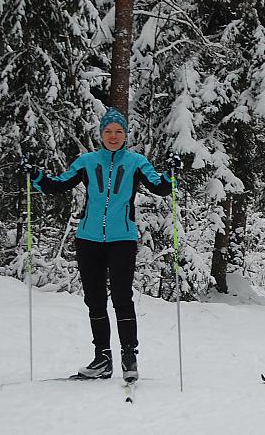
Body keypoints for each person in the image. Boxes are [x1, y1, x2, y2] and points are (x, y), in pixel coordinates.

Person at [20, 107, 175, 382]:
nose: (113, 136)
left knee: (122, 298)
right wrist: (36, 176)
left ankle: (129, 356)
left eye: (118, 132)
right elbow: (58, 185)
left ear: (125, 135)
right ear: (100, 134)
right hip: (88, 240)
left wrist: (171, 173)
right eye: (108, 132)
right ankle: (102, 358)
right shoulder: (87, 162)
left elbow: (160, 187)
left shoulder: (136, 162)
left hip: (122, 239)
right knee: (94, 300)